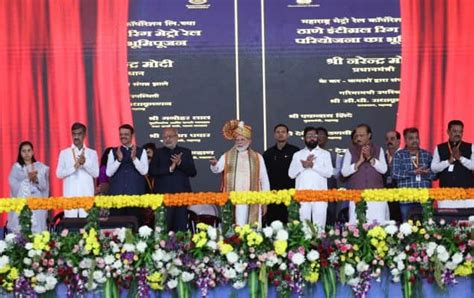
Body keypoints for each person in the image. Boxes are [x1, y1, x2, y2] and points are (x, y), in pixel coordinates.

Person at [210, 120, 270, 226]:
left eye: (242, 139)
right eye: (237, 140)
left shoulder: (257, 157)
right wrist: (214, 165)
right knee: (235, 228)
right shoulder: (227, 155)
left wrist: (265, 199)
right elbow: (217, 169)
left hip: (253, 199)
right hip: (234, 199)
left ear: (249, 141)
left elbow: (264, 179)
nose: (240, 142)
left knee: (253, 229)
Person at [149, 128, 197, 231]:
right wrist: (170, 169)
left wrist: (179, 163)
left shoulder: (185, 152)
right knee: (164, 228)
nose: (167, 139)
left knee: (181, 228)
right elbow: (152, 171)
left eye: (170, 136)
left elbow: (193, 172)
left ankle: (181, 247)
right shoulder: (158, 153)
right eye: (165, 137)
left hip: (182, 197)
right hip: (163, 197)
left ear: (177, 137)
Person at [341, 124, 389, 224]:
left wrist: (370, 158)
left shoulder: (378, 149)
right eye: (357, 136)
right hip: (357, 195)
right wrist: (359, 161)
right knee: (356, 225)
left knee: (378, 225)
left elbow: (384, 170)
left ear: (369, 135)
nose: (358, 138)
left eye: (361, 135)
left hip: (376, 195)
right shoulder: (350, 151)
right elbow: (344, 172)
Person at [289, 126, 333, 227]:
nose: (312, 138)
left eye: (314, 136)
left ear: (318, 138)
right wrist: (303, 166)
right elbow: (291, 174)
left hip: (320, 196)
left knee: (319, 228)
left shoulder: (325, 154)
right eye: (309, 136)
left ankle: (320, 243)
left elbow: (329, 173)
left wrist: (313, 165)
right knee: (305, 229)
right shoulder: (297, 155)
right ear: (304, 138)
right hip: (302, 196)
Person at [392, 128, 436, 222]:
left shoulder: (426, 154)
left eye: (417, 137)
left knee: (427, 225)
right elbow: (395, 174)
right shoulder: (399, 155)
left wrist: (427, 173)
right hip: (406, 199)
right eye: (411, 138)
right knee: (407, 228)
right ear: (405, 140)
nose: (415, 140)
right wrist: (413, 172)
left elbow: (435, 175)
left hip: (424, 199)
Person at [56, 122, 99, 218]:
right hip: (70, 197)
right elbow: (59, 174)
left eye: (79, 134)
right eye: (74, 134)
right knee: (71, 228)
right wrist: (74, 167)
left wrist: (85, 164)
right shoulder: (64, 153)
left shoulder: (92, 153)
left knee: (87, 230)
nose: (76, 137)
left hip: (86, 197)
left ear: (84, 135)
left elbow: (96, 174)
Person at [8, 141, 49, 233]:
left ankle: (37, 245)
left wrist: (36, 180)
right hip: (22, 201)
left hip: (36, 202)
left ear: (33, 152)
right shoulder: (16, 168)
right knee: (22, 226)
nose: (26, 153)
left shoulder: (40, 167)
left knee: (36, 227)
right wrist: (26, 180)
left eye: (29, 150)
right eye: (24, 151)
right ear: (20, 153)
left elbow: (44, 186)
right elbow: (13, 184)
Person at [431, 120, 474, 208]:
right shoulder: (440, 148)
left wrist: (461, 158)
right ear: (448, 132)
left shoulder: (470, 147)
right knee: (446, 220)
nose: (458, 134)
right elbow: (433, 168)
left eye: (460, 131)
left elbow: (473, 166)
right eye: (454, 131)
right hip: (445, 194)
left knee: (468, 220)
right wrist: (448, 162)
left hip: (467, 195)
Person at [263, 124, 299, 224]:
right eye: (278, 132)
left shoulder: (295, 152)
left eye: (283, 132)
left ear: (288, 135)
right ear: (274, 135)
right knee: (273, 223)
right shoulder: (268, 153)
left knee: (291, 222)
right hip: (273, 195)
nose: (280, 134)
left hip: (290, 194)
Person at [316, 126, 344, 225]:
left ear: (327, 138)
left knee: (331, 219)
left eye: (322, 135)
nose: (319, 137)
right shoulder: (309, 155)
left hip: (330, 191)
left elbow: (337, 174)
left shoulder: (333, 155)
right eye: (317, 135)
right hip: (314, 192)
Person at [384, 130, 402, 222]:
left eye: (392, 139)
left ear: (399, 141)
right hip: (385, 197)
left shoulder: (405, 155)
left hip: (401, 196)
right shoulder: (382, 156)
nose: (389, 141)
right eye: (387, 139)